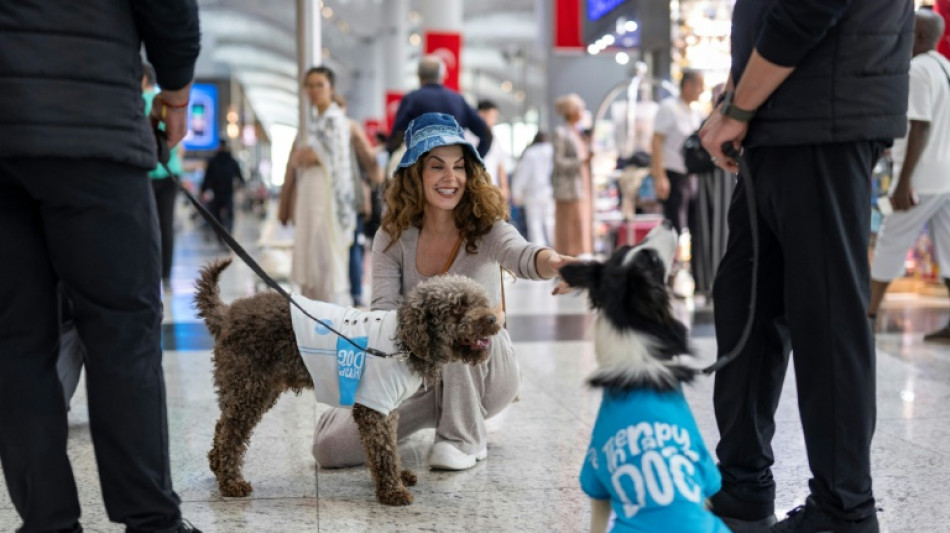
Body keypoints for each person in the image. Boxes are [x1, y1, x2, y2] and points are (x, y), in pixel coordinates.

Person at [699, 0, 913, 531]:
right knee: (745, 302)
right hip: (776, 119)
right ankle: (743, 481)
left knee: (827, 319)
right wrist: (735, 102)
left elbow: (809, 7)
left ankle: (844, 507)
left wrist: (739, 108)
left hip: (823, 117)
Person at [0, 1, 202, 532]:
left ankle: (46, 523)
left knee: (15, 341)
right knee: (122, 332)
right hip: (94, 131)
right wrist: (176, 90)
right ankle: (151, 521)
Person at [312, 112, 573, 471]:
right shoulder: (392, 237)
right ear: (415, 173)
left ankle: (462, 438)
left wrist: (556, 262)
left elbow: (522, 255)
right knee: (329, 450)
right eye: (437, 166)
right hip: (420, 371)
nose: (451, 178)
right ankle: (359, 411)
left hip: (485, 367)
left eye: (459, 166)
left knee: (453, 324)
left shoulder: (486, 225)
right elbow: (383, 313)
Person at [869, 10, 950, 341]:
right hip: (945, 175)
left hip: (921, 178)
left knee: (890, 240)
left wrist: (904, 182)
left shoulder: (916, 70)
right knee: (948, 249)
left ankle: (868, 315)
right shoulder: (944, 66)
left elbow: (919, 125)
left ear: (915, 36)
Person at [277, 66, 355, 304]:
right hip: (310, 190)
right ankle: (313, 306)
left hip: (327, 193)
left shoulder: (334, 119)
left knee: (324, 250)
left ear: (330, 88)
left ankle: (330, 310)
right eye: (309, 85)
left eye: (319, 84)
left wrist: (305, 156)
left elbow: (314, 157)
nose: (314, 90)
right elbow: (298, 158)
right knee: (310, 245)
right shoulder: (315, 121)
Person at [386, 55, 492, 159]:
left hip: (421, 167)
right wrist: (472, 162)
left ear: (419, 75)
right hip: (453, 166)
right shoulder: (458, 100)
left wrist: (393, 159)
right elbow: (487, 135)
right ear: (443, 75)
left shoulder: (411, 99)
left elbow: (397, 136)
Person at [335, 95, 385, 307]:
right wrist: (376, 179)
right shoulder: (350, 127)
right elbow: (369, 158)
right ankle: (355, 293)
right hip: (351, 195)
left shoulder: (312, 127)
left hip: (336, 198)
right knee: (353, 244)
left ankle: (340, 292)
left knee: (344, 244)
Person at [142, 63, 186, 287]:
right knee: (166, 225)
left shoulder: (136, 102)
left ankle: (147, 272)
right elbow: (180, 145)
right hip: (171, 171)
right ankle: (166, 275)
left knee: (146, 224)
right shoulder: (164, 104)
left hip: (146, 172)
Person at [651, 69, 705, 235]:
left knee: (695, 225)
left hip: (692, 176)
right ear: (688, 85)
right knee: (674, 227)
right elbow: (656, 141)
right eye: (700, 86)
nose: (702, 90)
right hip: (673, 174)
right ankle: (673, 260)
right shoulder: (668, 108)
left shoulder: (696, 112)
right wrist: (660, 176)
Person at [552, 93, 593, 258]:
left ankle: (578, 260)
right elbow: (559, 162)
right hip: (568, 190)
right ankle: (566, 262)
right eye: (579, 109)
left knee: (580, 225)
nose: (582, 113)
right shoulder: (561, 133)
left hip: (581, 187)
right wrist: (581, 161)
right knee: (568, 227)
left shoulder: (578, 133)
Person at [511, 132, 555, 246]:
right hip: (549, 192)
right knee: (550, 222)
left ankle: (540, 254)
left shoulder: (530, 153)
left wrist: (516, 192)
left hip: (533, 194)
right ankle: (556, 250)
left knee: (535, 225)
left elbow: (522, 174)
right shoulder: (551, 150)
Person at [200, 140, 244, 235]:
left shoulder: (219, 161)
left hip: (225, 192)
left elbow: (239, 176)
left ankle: (225, 235)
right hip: (220, 193)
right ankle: (223, 235)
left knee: (224, 215)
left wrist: (204, 189)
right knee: (219, 215)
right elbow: (207, 177)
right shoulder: (227, 161)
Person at [470, 100, 509, 199]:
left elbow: (500, 164)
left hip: (493, 188)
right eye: (492, 117)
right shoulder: (468, 135)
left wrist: (504, 187)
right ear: (481, 114)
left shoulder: (494, 138)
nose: (494, 121)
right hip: (475, 188)